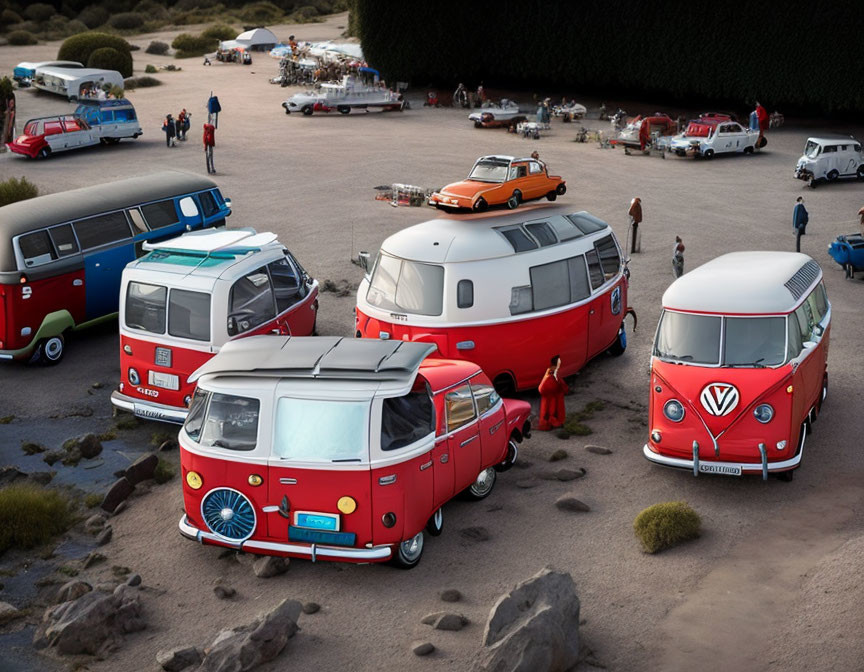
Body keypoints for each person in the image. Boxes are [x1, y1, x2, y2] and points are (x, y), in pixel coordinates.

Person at [538, 355, 568, 431]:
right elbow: (562, 384)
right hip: (553, 395)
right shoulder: (553, 374)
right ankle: (553, 423)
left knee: (547, 411)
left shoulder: (549, 372)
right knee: (553, 411)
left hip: (548, 395)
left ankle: (548, 424)